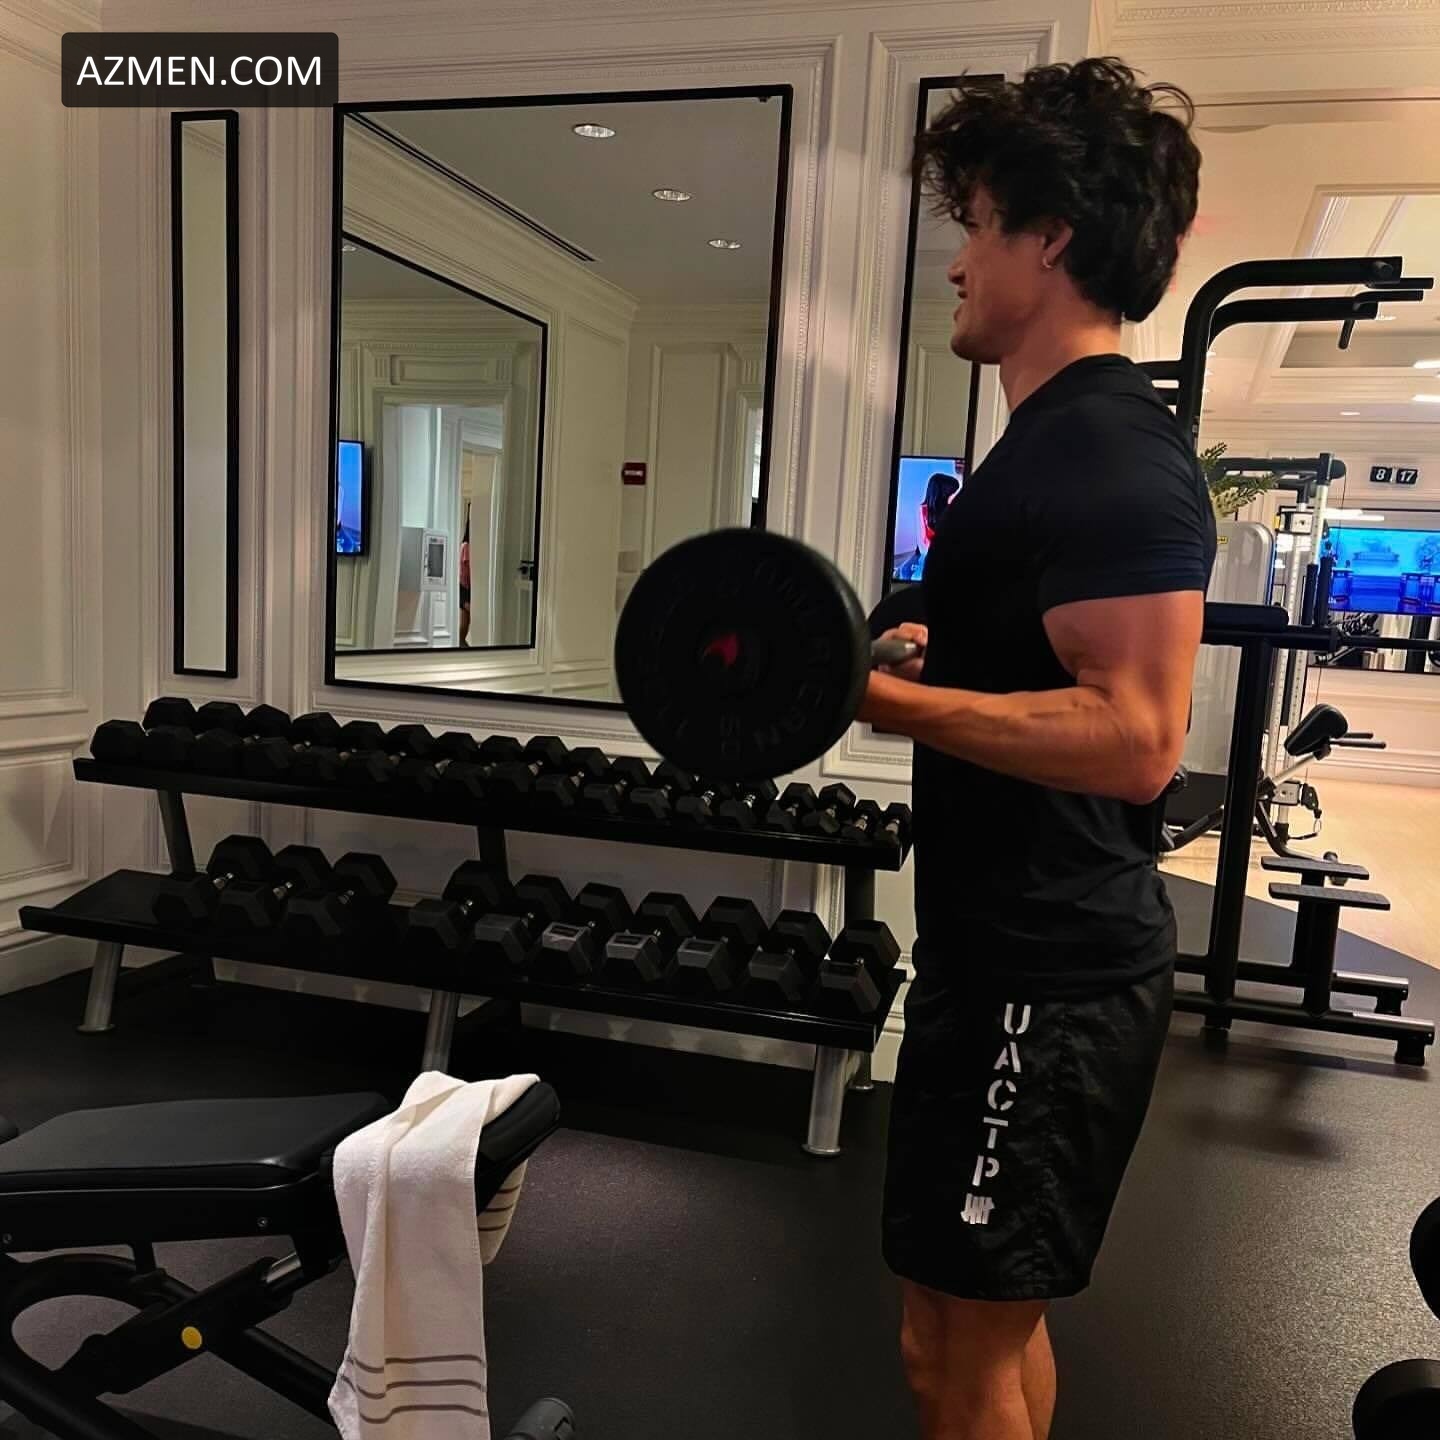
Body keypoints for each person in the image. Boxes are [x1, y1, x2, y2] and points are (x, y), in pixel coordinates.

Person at [857, 59, 1215, 1440]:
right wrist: (933, 657)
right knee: (965, 1327)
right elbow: (1049, 666)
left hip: (1047, 983)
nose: (958, 264)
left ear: (1049, 239)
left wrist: (883, 706)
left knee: (961, 1353)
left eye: (978, 226)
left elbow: (1135, 738)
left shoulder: (1112, 452)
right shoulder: (1043, 447)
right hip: (997, 957)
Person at [895, 469, 962, 581]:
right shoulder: (923, 510)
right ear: (943, 493)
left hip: (940, 553)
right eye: (952, 493)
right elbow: (923, 546)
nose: (954, 496)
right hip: (926, 552)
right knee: (905, 571)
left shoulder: (951, 510)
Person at [458, 510, 472, 648]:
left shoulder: (465, 545)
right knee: (464, 626)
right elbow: (466, 571)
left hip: (465, 588)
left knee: (465, 625)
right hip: (466, 588)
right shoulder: (467, 546)